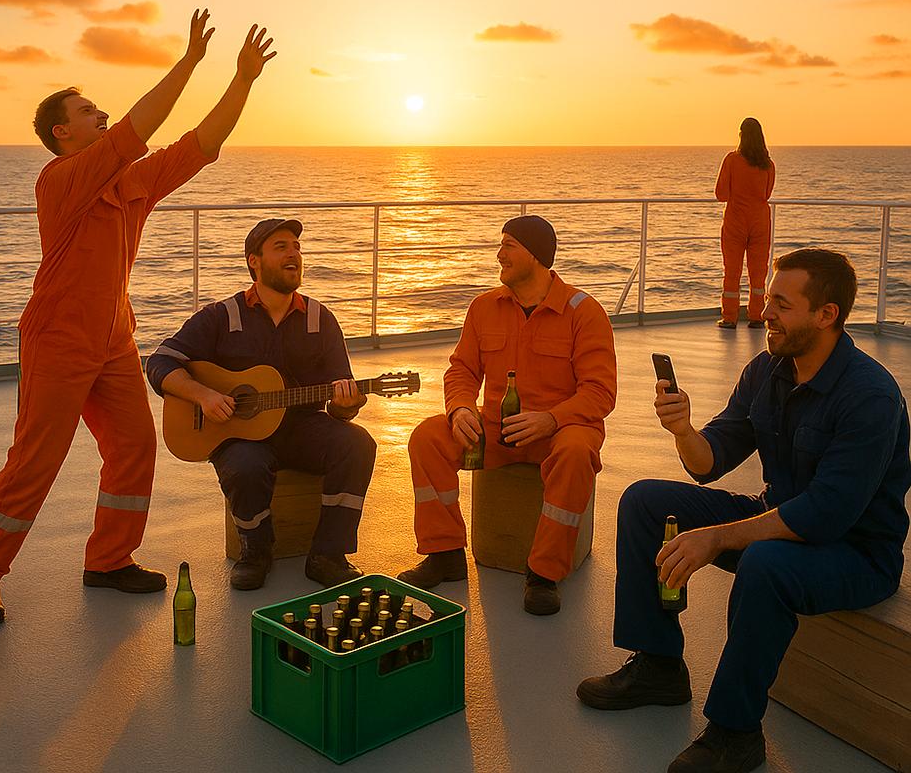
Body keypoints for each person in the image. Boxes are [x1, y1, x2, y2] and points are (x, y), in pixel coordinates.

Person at [0, 12, 277, 627]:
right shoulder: (60, 181)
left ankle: (109, 560)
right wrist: (188, 62)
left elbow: (200, 144)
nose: (101, 115)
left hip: (113, 340)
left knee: (133, 447)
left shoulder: (130, 185)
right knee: (35, 461)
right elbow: (138, 127)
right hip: (57, 339)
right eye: (88, 111)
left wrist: (242, 80)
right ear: (62, 132)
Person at [577, 248, 910, 773]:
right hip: (778, 518)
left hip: (856, 553)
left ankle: (736, 732)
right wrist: (683, 429)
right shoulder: (768, 370)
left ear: (827, 316)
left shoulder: (869, 395)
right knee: (645, 501)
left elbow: (825, 516)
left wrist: (716, 538)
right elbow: (710, 463)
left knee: (764, 564)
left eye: (781, 303)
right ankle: (659, 666)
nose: (764, 312)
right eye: (766, 298)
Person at [397, 215, 617, 615]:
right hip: (495, 431)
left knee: (576, 452)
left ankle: (544, 574)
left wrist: (551, 419)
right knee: (427, 437)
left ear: (535, 255)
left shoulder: (585, 313)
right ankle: (444, 553)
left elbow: (600, 393)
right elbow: (462, 370)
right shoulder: (483, 308)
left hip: (560, 431)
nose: (499, 254)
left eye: (508, 245)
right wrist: (460, 407)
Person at [145, 218, 376, 590]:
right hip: (239, 435)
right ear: (255, 261)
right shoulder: (221, 316)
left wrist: (346, 406)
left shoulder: (320, 318)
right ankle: (256, 550)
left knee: (356, 442)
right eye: (281, 247)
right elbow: (159, 362)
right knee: (245, 465)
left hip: (301, 428)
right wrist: (203, 395)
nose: (294, 254)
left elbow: (337, 401)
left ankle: (329, 554)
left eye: (297, 247)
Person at [715, 117, 775, 330]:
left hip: (736, 221)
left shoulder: (732, 160)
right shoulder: (768, 164)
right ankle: (757, 316)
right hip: (760, 221)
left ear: (741, 135)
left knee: (732, 271)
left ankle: (730, 317)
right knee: (758, 273)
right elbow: (767, 194)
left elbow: (721, 194)